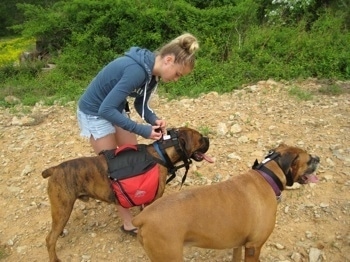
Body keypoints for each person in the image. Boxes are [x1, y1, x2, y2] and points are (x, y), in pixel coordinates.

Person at [76, 33, 199, 235]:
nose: (177, 80)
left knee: (132, 158)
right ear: (168, 60)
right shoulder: (136, 71)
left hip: (113, 107)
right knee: (116, 168)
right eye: (178, 74)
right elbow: (104, 110)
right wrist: (143, 130)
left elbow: (139, 104)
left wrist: (153, 120)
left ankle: (142, 203)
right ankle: (128, 223)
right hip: (95, 112)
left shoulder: (153, 75)